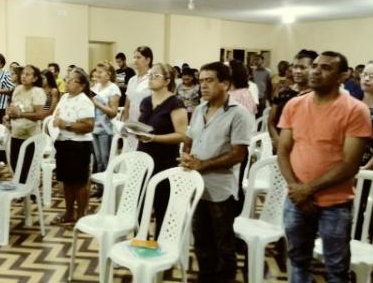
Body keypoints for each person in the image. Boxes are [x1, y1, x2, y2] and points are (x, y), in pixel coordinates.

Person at [278, 51, 373, 282]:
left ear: (343, 75)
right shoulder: (295, 104)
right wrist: (295, 188)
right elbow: (283, 151)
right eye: (315, 66)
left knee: (336, 267)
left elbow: (350, 164)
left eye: (326, 68)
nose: (315, 71)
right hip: (296, 198)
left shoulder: (355, 109)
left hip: (335, 203)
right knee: (298, 260)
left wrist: (308, 189)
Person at [180, 61, 253, 283]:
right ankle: (205, 277)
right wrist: (187, 156)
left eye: (209, 80)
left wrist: (204, 164)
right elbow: (190, 139)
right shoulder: (200, 109)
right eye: (201, 81)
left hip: (220, 188)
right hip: (197, 185)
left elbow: (238, 154)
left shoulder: (238, 114)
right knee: (201, 241)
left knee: (223, 243)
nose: (203, 86)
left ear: (225, 84)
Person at [136, 63, 188, 236]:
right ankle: (140, 240)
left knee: (161, 204)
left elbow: (181, 135)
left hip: (164, 160)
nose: (150, 78)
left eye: (156, 75)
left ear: (167, 80)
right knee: (141, 203)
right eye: (150, 74)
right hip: (144, 156)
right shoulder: (145, 101)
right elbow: (143, 126)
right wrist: (134, 131)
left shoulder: (175, 103)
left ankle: (161, 245)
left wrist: (154, 138)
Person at [52, 67, 95, 224]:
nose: (67, 82)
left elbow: (88, 126)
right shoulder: (65, 98)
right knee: (66, 181)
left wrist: (66, 124)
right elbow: (56, 117)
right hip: (63, 143)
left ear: (82, 85)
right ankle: (69, 213)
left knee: (79, 182)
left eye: (71, 80)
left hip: (79, 146)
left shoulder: (85, 101)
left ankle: (81, 216)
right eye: (67, 79)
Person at [268, 49, 318, 150]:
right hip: (279, 146)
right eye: (295, 67)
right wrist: (277, 140)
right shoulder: (282, 93)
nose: (297, 71)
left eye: (303, 67)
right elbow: (271, 122)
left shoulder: (318, 96)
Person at [5, 65, 46, 181]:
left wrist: (20, 115)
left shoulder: (37, 92)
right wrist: (8, 116)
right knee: (15, 164)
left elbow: (40, 115)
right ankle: (21, 191)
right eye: (23, 73)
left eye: (28, 74)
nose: (23, 76)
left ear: (35, 78)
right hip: (16, 132)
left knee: (27, 167)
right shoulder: (17, 89)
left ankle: (29, 192)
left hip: (30, 136)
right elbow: (14, 108)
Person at [90, 63, 120, 198]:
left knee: (106, 159)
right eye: (97, 72)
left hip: (106, 129)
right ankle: (100, 188)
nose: (97, 75)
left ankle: (109, 189)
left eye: (101, 72)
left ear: (109, 74)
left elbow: (113, 112)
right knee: (98, 160)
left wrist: (96, 103)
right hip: (94, 127)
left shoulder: (114, 89)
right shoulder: (95, 87)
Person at [123, 46, 152, 122]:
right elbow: (127, 105)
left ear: (148, 60)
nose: (135, 60)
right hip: (132, 124)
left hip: (147, 124)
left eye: (138, 58)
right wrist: (125, 122)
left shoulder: (153, 79)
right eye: (134, 57)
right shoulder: (132, 80)